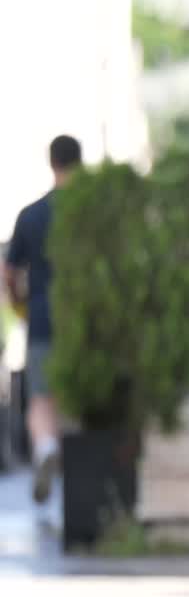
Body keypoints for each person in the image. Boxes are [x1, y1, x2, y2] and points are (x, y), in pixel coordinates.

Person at [5, 135, 80, 510]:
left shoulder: (31, 215)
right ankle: (71, 467)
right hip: (82, 319)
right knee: (79, 399)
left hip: (42, 315)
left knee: (40, 398)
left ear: (52, 164)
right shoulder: (89, 212)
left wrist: (19, 303)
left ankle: (46, 446)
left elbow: (9, 270)